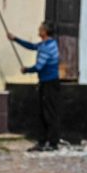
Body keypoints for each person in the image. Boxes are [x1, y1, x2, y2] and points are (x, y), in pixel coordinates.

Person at [8, 22, 60, 152]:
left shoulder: (47, 47)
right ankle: (45, 141)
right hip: (48, 83)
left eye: (41, 28)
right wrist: (15, 39)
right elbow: (31, 46)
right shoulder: (47, 44)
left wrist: (27, 70)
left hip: (49, 84)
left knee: (48, 113)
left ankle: (51, 143)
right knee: (44, 112)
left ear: (45, 31)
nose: (39, 29)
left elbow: (39, 66)